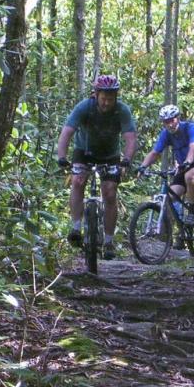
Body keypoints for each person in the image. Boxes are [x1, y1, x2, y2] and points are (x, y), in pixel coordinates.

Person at [56, 74, 137, 260]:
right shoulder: (85, 107)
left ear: (116, 97)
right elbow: (67, 133)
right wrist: (62, 156)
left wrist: (127, 159)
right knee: (77, 180)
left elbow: (130, 139)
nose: (107, 102)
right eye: (103, 98)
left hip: (111, 155)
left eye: (111, 98)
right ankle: (76, 227)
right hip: (84, 152)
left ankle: (108, 241)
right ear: (96, 95)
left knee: (109, 193)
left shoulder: (122, 110)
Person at [136, 105, 194, 247]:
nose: (170, 124)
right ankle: (182, 231)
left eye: (172, 120)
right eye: (166, 122)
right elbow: (155, 152)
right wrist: (143, 167)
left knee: (189, 177)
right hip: (185, 167)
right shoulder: (166, 134)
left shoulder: (190, 128)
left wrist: (188, 162)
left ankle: (191, 212)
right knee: (170, 198)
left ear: (177, 118)